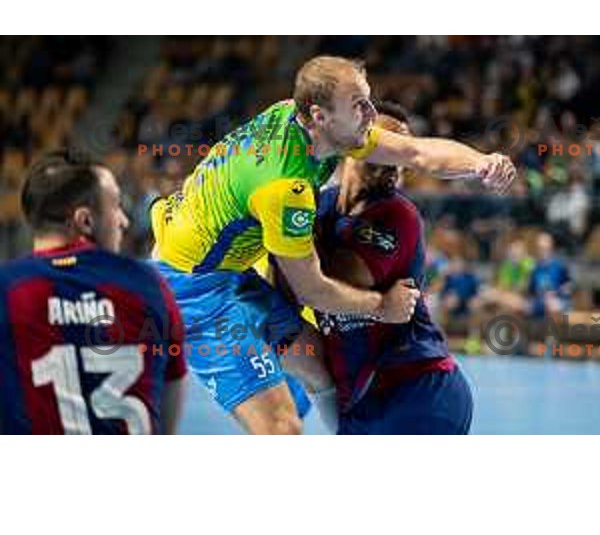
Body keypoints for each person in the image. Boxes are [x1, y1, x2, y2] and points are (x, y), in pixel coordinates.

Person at [150, 56, 515, 435]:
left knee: (315, 363)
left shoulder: (305, 121)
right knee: (282, 428)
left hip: (219, 263)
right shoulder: (284, 188)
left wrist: (481, 162)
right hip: (195, 290)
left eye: (369, 99)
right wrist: (381, 305)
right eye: (359, 104)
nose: (371, 113)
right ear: (319, 115)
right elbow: (313, 289)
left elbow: (415, 152)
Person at [311, 101, 473, 434]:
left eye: (403, 151)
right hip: (360, 399)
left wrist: (286, 233)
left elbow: (335, 279)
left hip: (419, 389)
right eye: (388, 144)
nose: (396, 159)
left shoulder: (397, 214)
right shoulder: (321, 205)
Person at [0, 150, 188, 434]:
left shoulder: (8, 290)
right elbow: (171, 393)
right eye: (115, 206)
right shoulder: (147, 285)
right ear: (85, 220)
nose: (124, 220)